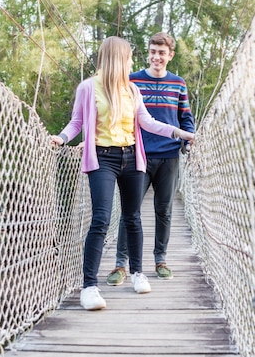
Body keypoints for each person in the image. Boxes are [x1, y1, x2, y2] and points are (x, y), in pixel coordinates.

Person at [50, 36, 195, 311]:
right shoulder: (88, 88)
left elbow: (147, 122)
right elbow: (78, 121)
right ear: (118, 58)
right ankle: (89, 287)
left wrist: (179, 132)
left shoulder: (131, 90)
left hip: (132, 157)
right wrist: (61, 138)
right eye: (128, 57)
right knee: (101, 219)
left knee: (133, 217)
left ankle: (138, 273)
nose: (131, 61)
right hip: (102, 158)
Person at [106, 32, 195, 286]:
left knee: (164, 210)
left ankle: (160, 259)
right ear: (148, 52)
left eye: (162, 53)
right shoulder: (131, 80)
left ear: (170, 56)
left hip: (169, 155)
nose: (156, 57)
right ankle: (121, 265)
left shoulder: (178, 83)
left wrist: (190, 137)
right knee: (129, 211)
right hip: (137, 155)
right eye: (153, 52)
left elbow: (185, 117)